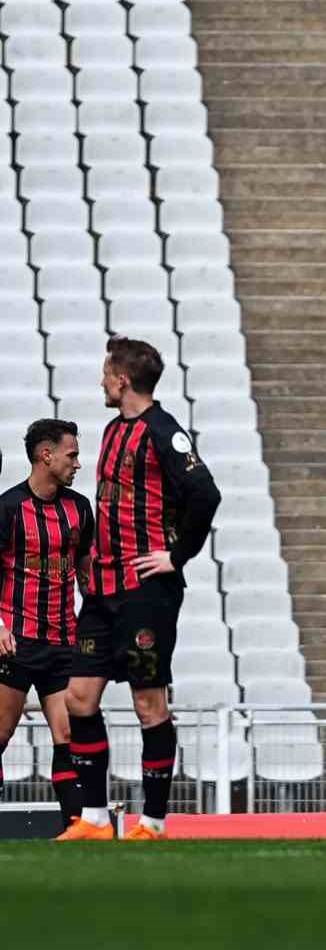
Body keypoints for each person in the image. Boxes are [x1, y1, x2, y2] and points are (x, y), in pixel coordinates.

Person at [59, 338, 222, 841]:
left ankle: (152, 821)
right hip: (102, 591)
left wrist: (176, 556)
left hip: (145, 592)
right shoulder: (113, 430)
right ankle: (94, 819)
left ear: (123, 380)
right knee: (79, 698)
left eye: (107, 373)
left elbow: (205, 493)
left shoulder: (163, 431)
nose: (102, 381)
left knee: (148, 703)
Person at [0, 419, 92, 829]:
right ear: (46, 454)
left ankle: (76, 829)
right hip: (16, 642)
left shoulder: (80, 508)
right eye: (72, 455)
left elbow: (87, 572)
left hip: (63, 642)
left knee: (67, 736)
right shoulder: (8, 508)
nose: (78, 463)